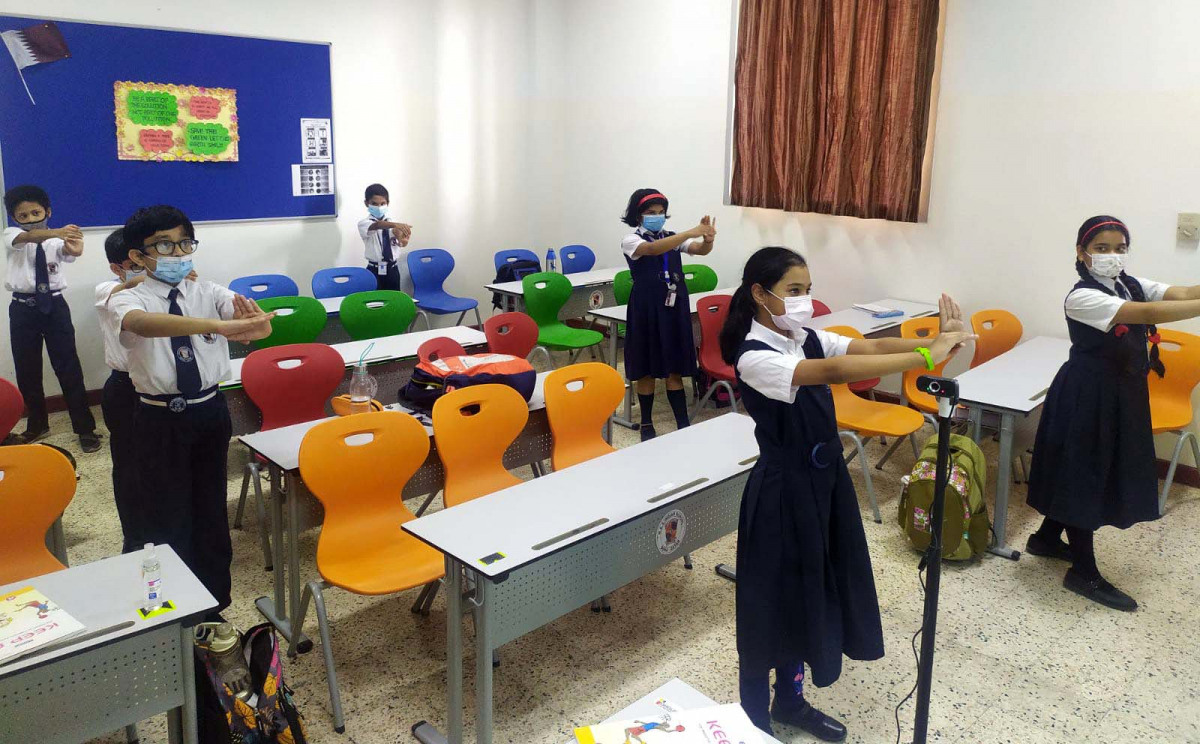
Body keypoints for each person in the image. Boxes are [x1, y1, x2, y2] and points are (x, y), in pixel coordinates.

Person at [717, 246, 973, 739]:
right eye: (794, 290)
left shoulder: (803, 336)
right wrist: (926, 356)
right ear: (758, 293)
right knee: (772, 601)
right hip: (782, 493)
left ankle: (790, 701)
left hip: (824, 485)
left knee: (810, 593)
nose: (805, 300)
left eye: (808, 290)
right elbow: (832, 374)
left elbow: (864, 351)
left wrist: (936, 342)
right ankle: (752, 716)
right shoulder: (754, 356)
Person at [1026, 215, 1200, 611]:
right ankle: (1082, 572)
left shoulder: (1130, 283)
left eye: (1120, 248)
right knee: (1086, 474)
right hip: (1088, 395)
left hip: (1122, 392)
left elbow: (1184, 292)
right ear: (1081, 252)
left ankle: (1047, 538)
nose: (1112, 256)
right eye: (1102, 248)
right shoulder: (1082, 297)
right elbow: (1139, 315)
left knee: (1092, 468)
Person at [109, 205, 275, 612]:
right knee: (167, 517)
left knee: (210, 511)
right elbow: (144, 324)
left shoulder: (208, 291)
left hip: (209, 411)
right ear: (138, 256)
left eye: (185, 242)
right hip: (158, 418)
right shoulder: (128, 298)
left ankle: (215, 604)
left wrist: (255, 325)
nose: (178, 252)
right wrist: (216, 327)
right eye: (164, 244)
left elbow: (256, 327)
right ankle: (175, 611)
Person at [3, 184, 100, 451]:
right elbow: (25, 239)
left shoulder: (57, 241)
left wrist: (75, 244)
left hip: (55, 306)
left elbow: (73, 253)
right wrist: (56, 231)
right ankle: (36, 424)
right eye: (24, 216)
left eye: (37, 212)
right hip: (23, 309)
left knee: (69, 367)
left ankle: (85, 428)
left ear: (48, 211)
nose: (32, 219)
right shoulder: (12, 234)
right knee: (27, 369)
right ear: (15, 219)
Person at [619, 188, 715, 441]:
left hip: (673, 307)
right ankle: (647, 423)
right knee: (647, 368)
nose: (657, 217)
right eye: (651, 213)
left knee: (674, 367)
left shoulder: (673, 237)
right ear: (638, 215)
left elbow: (700, 250)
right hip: (646, 308)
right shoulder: (632, 241)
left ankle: (682, 422)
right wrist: (689, 232)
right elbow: (653, 250)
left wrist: (707, 239)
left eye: (661, 213)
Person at [357, 183, 412, 291]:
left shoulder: (392, 222)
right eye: (374, 204)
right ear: (366, 203)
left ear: (388, 203)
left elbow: (401, 243)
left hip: (392, 269)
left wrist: (403, 240)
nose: (379, 207)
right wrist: (395, 225)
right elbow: (378, 225)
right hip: (374, 270)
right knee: (375, 303)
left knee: (394, 302)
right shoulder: (364, 223)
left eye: (382, 203)